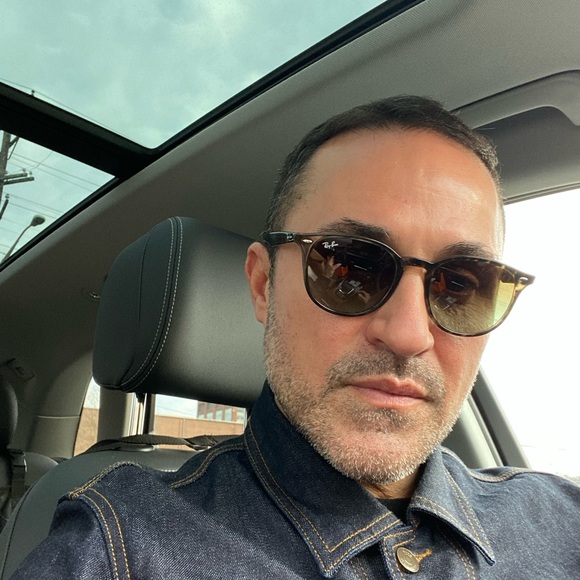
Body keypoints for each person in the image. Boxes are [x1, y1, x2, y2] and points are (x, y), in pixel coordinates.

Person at [12, 96, 580, 578]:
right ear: (263, 285)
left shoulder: (561, 517)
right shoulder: (117, 550)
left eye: (461, 284)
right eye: (350, 268)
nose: (409, 335)